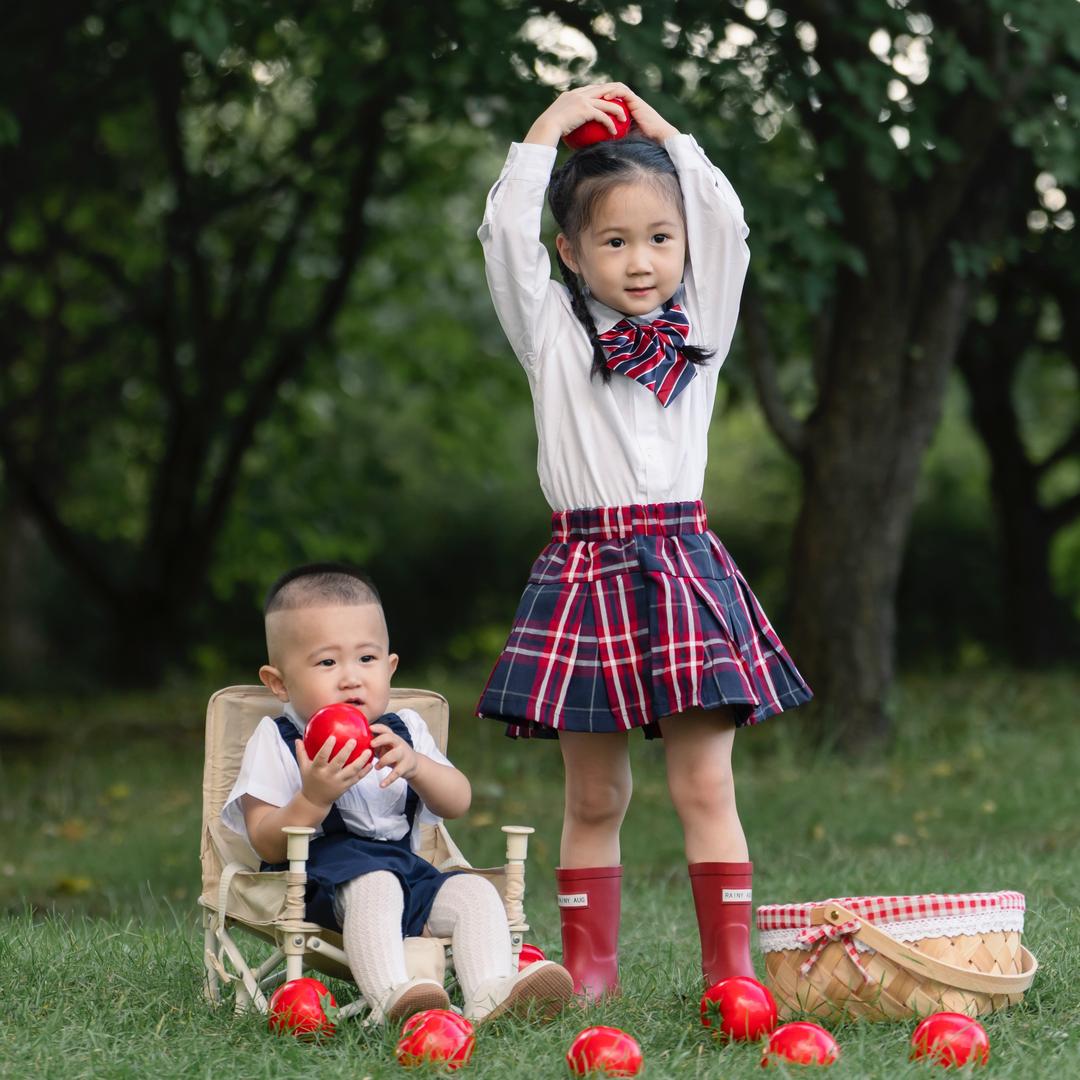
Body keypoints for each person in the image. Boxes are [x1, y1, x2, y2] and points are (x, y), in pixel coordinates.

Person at [475, 84, 812, 998]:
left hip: (683, 564)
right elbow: (503, 236)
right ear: (571, 251)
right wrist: (546, 127)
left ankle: (731, 976)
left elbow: (726, 222)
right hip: (585, 571)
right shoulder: (549, 330)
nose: (640, 262)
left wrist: (662, 132)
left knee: (705, 788)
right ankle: (590, 978)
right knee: (595, 796)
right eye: (614, 241)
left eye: (659, 239)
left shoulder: (704, 320)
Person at [222, 562, 573, 1023]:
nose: (351, 678)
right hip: (316, 883)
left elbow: (458, 801)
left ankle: (489, 993)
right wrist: (313, 796)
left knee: (473, 892)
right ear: (279, 683)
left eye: (366, 660)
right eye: (327, 662)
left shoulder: (405, 730)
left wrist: (418, 767)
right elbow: (265, 840)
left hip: (408, 873)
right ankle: (392, 994)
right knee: (377, 884)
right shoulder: (279, 739)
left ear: (390, 667)